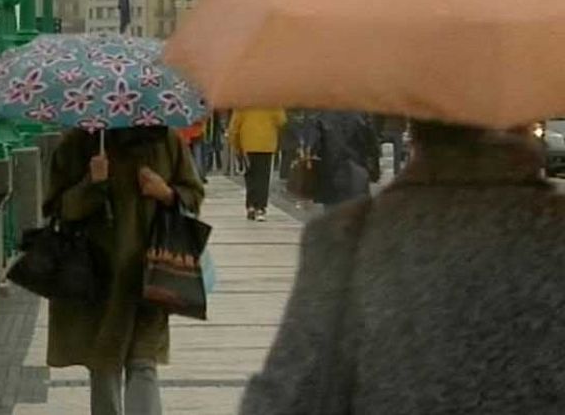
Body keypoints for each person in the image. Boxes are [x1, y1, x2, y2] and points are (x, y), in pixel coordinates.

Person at [239, 120, 565, 414]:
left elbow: (285, 397)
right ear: (525, 127)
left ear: (416, 129)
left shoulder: (348, 237)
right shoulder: (554, 234)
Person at [44, 127, 204, 415]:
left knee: (144, 363)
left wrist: (166, 192)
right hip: (97, 278)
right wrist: (92, 184)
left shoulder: (165, 140)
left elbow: (193, 193)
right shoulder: (78, 143)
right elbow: (57, 208)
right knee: (104, 366)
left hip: (152, 271)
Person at [303, 111, 381, 209]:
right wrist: (374, 172)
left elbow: (313, 147)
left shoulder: (321, 117)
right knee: (356, 215)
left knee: (332, 215)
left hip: (330, 176)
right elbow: (373, 147)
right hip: (357, 176)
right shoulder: (362, 115)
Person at [229, 107, 287, 221]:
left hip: (247, 142)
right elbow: (282, 120)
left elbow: (234, 125)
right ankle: (261, 208)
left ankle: (251, 205)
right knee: (263, 177)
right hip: (267, 143)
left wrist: (235, 144)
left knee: (250, 176)